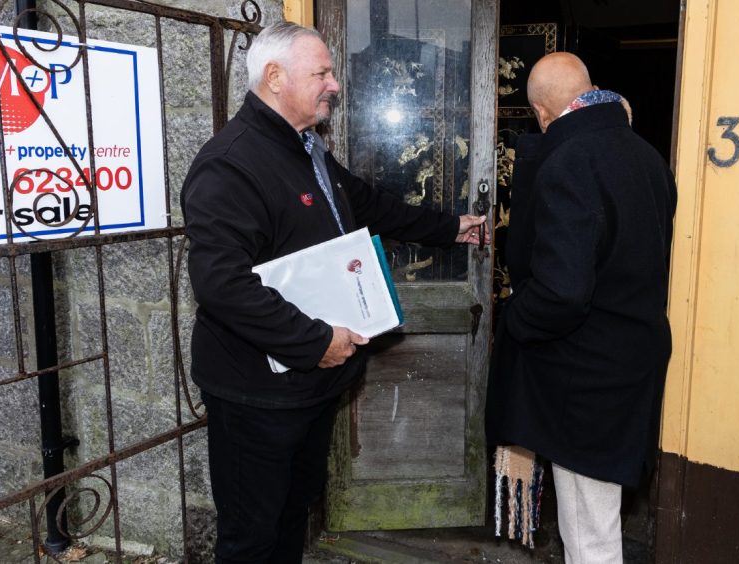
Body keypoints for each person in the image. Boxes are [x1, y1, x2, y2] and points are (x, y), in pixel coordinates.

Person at [180, 21, 488, 563]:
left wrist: (449, 227)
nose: (334, 85)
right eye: (321, 72)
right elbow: (222, 284)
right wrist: (314, 340)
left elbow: (364, 204)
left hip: (309, 387)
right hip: (256, 394)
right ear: (274, 78)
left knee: (293, 512)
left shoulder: (306, 148)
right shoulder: (230, 164)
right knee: (251, 534)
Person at [485, 52, 677, 564]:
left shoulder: (568, 160)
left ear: (543, 115)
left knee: (588, 529)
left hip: (585, 374)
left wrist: (515, 321)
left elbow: (561, 292)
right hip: (632, 358)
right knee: (597, 515)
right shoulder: (647, 157)